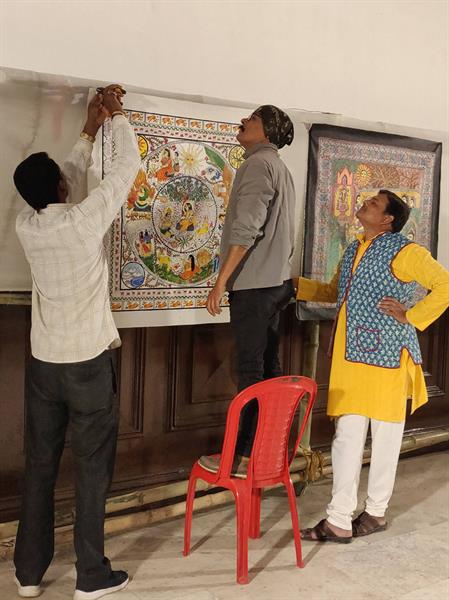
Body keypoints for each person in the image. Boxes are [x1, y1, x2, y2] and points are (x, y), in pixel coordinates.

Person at [12, 85, 140, 598]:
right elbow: (126, 169)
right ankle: (91, 576)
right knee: (91, 473)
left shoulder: (26, 225)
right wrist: (117, 117)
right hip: (87, 365)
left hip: (45, 366)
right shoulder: (85, 221)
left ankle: (28, 574)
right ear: (63, 187)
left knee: (40, 467)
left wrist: (88, 130)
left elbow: (53, 182)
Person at [297, 190, 449, 543]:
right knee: (347, 437)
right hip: (351, 360)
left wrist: (412, 315)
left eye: (375, 203)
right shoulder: (354, 248)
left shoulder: (406, 252)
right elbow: (335, 292)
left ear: (388, 219)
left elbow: (445, 284)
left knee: (385, 439)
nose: (365, 203)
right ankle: (338, 519)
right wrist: (297, 286)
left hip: (388, 360)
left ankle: (376, 512)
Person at [201, 105, 296, 476]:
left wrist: (221, 281)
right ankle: (269, 451)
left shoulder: (258, 165)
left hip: (255, 286)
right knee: (268, 369)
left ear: (267, 132)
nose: (243, 122)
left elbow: (247, 228)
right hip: (274, 284)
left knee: (251, 371)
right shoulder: (279, 168)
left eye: (253, 119)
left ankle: (243, 456)